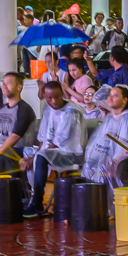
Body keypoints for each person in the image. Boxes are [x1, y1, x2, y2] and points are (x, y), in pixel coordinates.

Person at [20, 81, 85, 217]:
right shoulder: (48, 110)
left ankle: (37, 202)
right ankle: (19, 197)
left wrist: (34, 158)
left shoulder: (71, 112)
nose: (54, 101)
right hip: (52, 151)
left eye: (57, 96)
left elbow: (57, 142)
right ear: (45, 96)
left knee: (41, 157)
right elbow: (44, 140)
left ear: (62, 94)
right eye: (49, 98)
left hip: (69, 154)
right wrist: (31, 156)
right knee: (19, 151)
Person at [82, 85, 128, 210]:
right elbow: (99, 143)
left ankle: (111, 208)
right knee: (89, 168)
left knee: (103, 170)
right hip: (109, 160)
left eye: (115, 95)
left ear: (125, 100)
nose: (110, 98)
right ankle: (94, 209)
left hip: (126, 162)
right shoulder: (110, 118)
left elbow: (125, 149)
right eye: (110, 95)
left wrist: (112, 164)